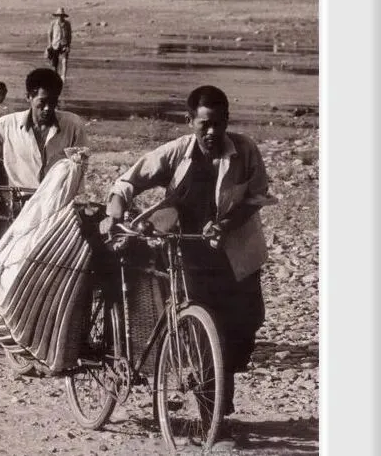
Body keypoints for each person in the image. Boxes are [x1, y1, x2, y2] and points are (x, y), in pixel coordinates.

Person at [103, 85, 276, 446]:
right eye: (204, 124)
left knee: (245, 329)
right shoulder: (178, 152)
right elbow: (131, 179)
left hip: (238, 255)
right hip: (191, 256)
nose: (212, 132)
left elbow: (257, 196)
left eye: (219, 123)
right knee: (207, 336)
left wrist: (225, 224)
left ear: (227, 120)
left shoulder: (245, 150)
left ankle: (218, 396)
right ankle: (214, 418)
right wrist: (116, 207)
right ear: (190, 121)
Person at [0, 68, 88, 189]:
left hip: (56, 199)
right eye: (42, 102)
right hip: (19, 198)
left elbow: (80, 167)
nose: (48, 108)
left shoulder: (73, 125)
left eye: (53, 101)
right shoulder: (6, 125)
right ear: (28, 97)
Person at [46, 8, 72, 83]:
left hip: (64, 44)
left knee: (65, 60)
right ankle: (55, 76)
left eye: (62, 15)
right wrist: (49, 44)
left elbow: (69, 35)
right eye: (59, 15)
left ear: (64, 16)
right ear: (57, 16)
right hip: (55, 44)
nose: (60, 17)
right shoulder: (53, 23)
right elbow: (49, 34)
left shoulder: (67, 24)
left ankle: (63, 76)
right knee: (55, 62)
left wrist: (68, 45)